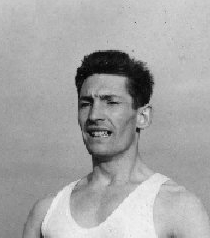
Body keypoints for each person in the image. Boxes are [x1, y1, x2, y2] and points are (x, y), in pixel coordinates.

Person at [22, 50, 210, 238]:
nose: (94, 115)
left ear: (142, 117)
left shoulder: (178, 208)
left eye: (111, 103)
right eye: (86, 104)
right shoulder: (46, 213)